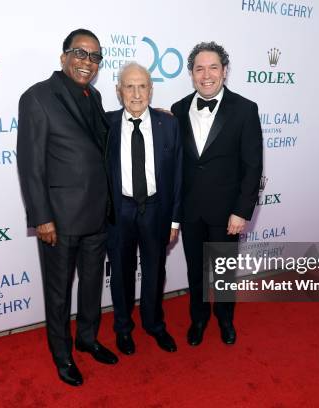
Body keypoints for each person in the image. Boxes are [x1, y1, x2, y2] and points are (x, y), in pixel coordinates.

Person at [17, 28, 118, 387]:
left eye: (94, 57)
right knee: (58, 294)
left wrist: (156, 116)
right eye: (80, 53)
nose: (87, 62)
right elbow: (30, 165)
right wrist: (41, 217)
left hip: (97, 213)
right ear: (64, 57)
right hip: (59, 219)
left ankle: (87, 339)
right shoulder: (37, 97)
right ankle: (62, 355)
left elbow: (105, 139)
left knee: (91, 285)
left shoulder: (94, 95)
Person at [171, 41, 263, 346]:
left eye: (213, 67)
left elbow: (252, 166)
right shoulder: (178, 109)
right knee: (195, 271)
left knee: (224, 272)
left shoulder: (245, 109)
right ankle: (199, 318)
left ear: (224, 71)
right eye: (199, 68)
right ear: (191, 73)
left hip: (226, 213)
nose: (206, 74)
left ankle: (225, 319)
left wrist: (242, 210)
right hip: (191, 210)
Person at [106, 62, 183, 355]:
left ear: (151, 90)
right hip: (119, 212)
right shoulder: (106, 124)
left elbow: (178, 176)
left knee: (154, 271)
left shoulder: (169, 124)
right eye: (129, 86)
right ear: (118, 91)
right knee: (122, 275)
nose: (136, 93)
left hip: (156, 211)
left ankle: (154, 324)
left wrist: (175, 221)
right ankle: (123, 328)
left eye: (142, 86)